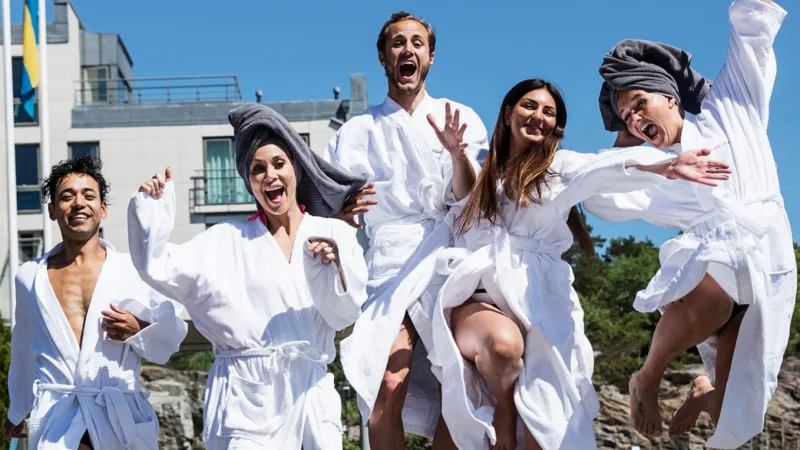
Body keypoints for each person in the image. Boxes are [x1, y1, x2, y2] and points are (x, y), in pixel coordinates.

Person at [427, 79, 731, 450]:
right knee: (502, 347)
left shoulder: (557, 168)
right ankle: (504, 413)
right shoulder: (479, 167)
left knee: (550, 424)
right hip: (478, 293)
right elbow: (462, 202)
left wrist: (665, 165)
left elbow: (605, 167)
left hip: (537, 296)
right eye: (529, 106)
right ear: (508, 113)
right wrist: (458, 156)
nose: (538, 116)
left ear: (555, 126)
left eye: (548, 112)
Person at [584, 0, 795, 446]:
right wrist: (651, 166)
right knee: (722, 282)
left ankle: (704, 391)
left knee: (737, 403)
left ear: (670, 97)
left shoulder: (730, 106)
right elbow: (596, 191)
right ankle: (647, 375)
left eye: (640, 103)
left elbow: (752, 34)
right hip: (713, 262)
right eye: (627, 116)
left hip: (768, 254)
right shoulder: (647, 163)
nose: (637, 119)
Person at [128, 103, 368, 449]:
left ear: (296, 170)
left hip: (310, 397)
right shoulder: (225, 240)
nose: (270, 175)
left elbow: (346, 315)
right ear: (249, 182)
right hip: (247, 402)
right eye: (258, 169)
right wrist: (151, 213)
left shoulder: (335, 234)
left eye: (278, 163)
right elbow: (160, 266)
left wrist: (332, 273)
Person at [322, 11, 488, 449]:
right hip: (390, 262)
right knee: (385, 382)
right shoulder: (356, 131)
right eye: (398, 43)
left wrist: (457, 156)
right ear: (383, 57)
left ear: (430, 57)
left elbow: (474, 199)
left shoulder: (463, 117)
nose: (407, 50)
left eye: (417, 43)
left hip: (447, 255)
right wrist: (341, 218)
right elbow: (334, 208)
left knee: (462, 386)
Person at [4, 153, 187, 450]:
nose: (78, 202)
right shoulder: (29, 277)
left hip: (117, 416)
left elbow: (172, 336)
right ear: (52, 210)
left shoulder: (133, 270)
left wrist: (140, 328)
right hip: (58, 418)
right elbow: (24, 347)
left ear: (103, 210)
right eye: (67, 196)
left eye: (88, 195)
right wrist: (17, 409)